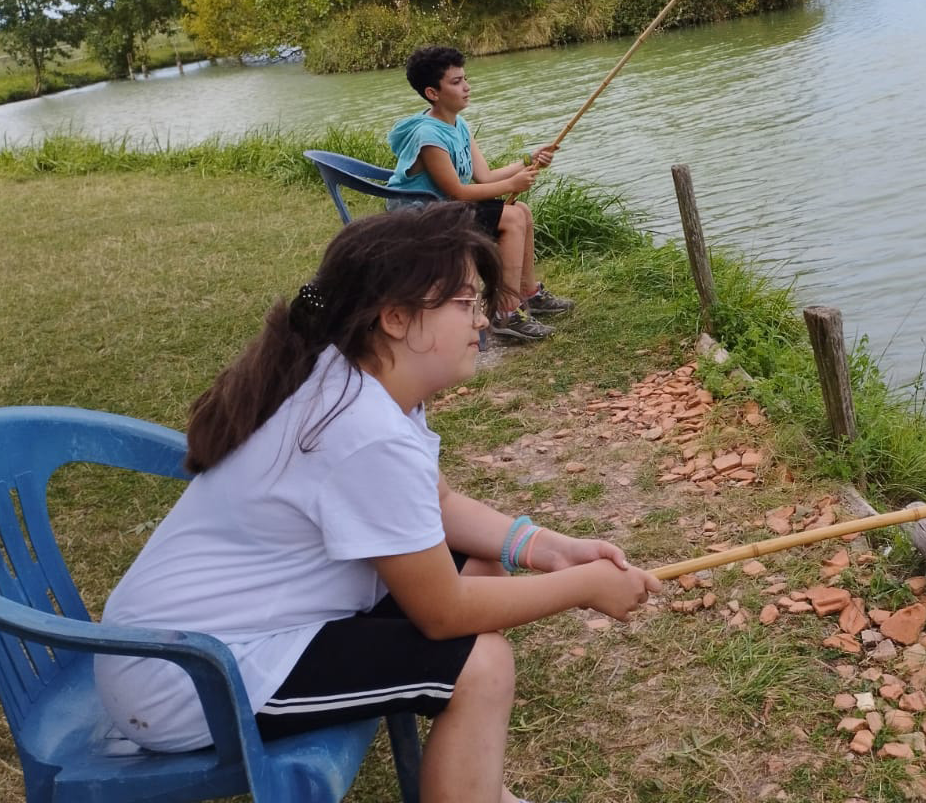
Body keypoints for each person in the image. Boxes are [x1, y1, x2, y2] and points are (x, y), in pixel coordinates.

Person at [95, 204, 660, 803]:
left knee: (482, 566)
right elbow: (442, 612)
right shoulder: (364, 430)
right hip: (191, 678)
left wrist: (550, 549)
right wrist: (586, 587)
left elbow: (438, 506)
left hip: (212, 641)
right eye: (465, 304)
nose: (484, 321)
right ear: (395, 318)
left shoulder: (357, 381)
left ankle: (477, 788)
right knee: (481, 663)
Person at [387, 44, 573, 343]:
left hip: (446, 208)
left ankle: (529, 294)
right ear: (433, 93)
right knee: (512, 218)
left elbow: (484, 176)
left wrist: (528, 160)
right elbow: (459, 191)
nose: (467, 87)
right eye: (456, 82)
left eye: (465, 79)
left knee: (521, 211)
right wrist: (512, 185)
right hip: (422, 219)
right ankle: (505, 313)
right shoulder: (428, 136)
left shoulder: (458, 124)